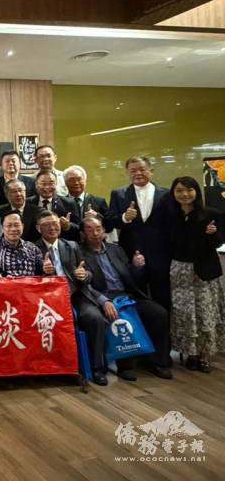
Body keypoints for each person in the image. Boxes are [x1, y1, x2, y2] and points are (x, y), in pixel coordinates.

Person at [79, 216, 172, 382]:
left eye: (99, 229)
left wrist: (137, 267)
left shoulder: (115, 249)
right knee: (120, 316)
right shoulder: (79, 252)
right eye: (90, 230)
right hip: (103, 297)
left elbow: (130, 276)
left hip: (126, 294)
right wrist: (104, 301)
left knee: (159, 313)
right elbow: (84, 285)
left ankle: (156, 361)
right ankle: (125, 365)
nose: (95, 233)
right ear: (82, 234)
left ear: (104, 231)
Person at [33, 211, 102, 384]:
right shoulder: (33, 248)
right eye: (47, 225)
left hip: (76, 295)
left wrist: (83, 275)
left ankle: (96, 369)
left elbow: (89, 273)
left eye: (55, 223)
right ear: (38, 228)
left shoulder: (72, 245)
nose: (52, 227)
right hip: (48, 300)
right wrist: (42, 271)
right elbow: (29, 278)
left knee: (95, 318)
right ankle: (62, 368)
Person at [167, 176, 225, 373]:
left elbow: (218, 242)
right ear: (173, 193)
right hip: (179, 270)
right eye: (179, 190)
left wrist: (212, 234)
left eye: (189, 190)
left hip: (204, 272)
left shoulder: (211, 213)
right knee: (185, 314)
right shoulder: (171, 216)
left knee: (204, 313)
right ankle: (191, 353)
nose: (185, 194)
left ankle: (204, 355)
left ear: (196, 192)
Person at [107, 156, 172, 311]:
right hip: (131, 252)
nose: (138, 173)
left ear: (151, 171)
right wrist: (124, 217)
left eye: (142, 169)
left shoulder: (166, 194)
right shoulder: (118, 194)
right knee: (136, 295)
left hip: (161, 252)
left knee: (163, 293)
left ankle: (165, 324)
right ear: (127, 173)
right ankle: (139, 326)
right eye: (133, 171)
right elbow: (109, 222)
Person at [0, 211, 44, 277]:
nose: (13, 229)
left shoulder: (32, 248)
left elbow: (41, 273)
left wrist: (46, 268)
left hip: (29, 284)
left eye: (16, 225)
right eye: (9, 225)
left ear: (22, 226)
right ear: (2, 228)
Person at [61, 164, 111, 241]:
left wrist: (97, 217)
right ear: (65, 183)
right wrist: (67, 226)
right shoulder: (60, 202)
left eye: (79, 179)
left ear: (85, 181)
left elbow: (110, 227)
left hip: (95, 243)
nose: (76, 183)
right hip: (70, 244)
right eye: (71, 180)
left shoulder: (99, 201)